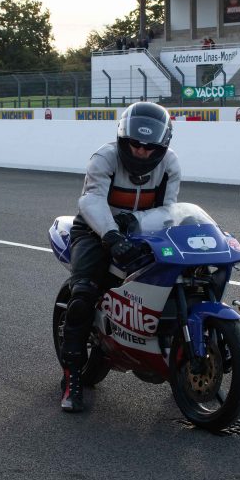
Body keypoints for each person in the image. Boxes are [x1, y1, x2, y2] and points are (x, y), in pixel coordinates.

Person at [59, 101, 180, 413]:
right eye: (134, 144)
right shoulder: (105, 156)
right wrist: (111, 233)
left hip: (143, 233)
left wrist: (137, 222)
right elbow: (91, 199)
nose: (140, 151)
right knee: (83, 294)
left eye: (149, 146)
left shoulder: (170, 165)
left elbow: (170, 209)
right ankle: (72, 378)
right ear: (123, 139)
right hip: (94, 231)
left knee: (177, 279)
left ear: (162, 145)